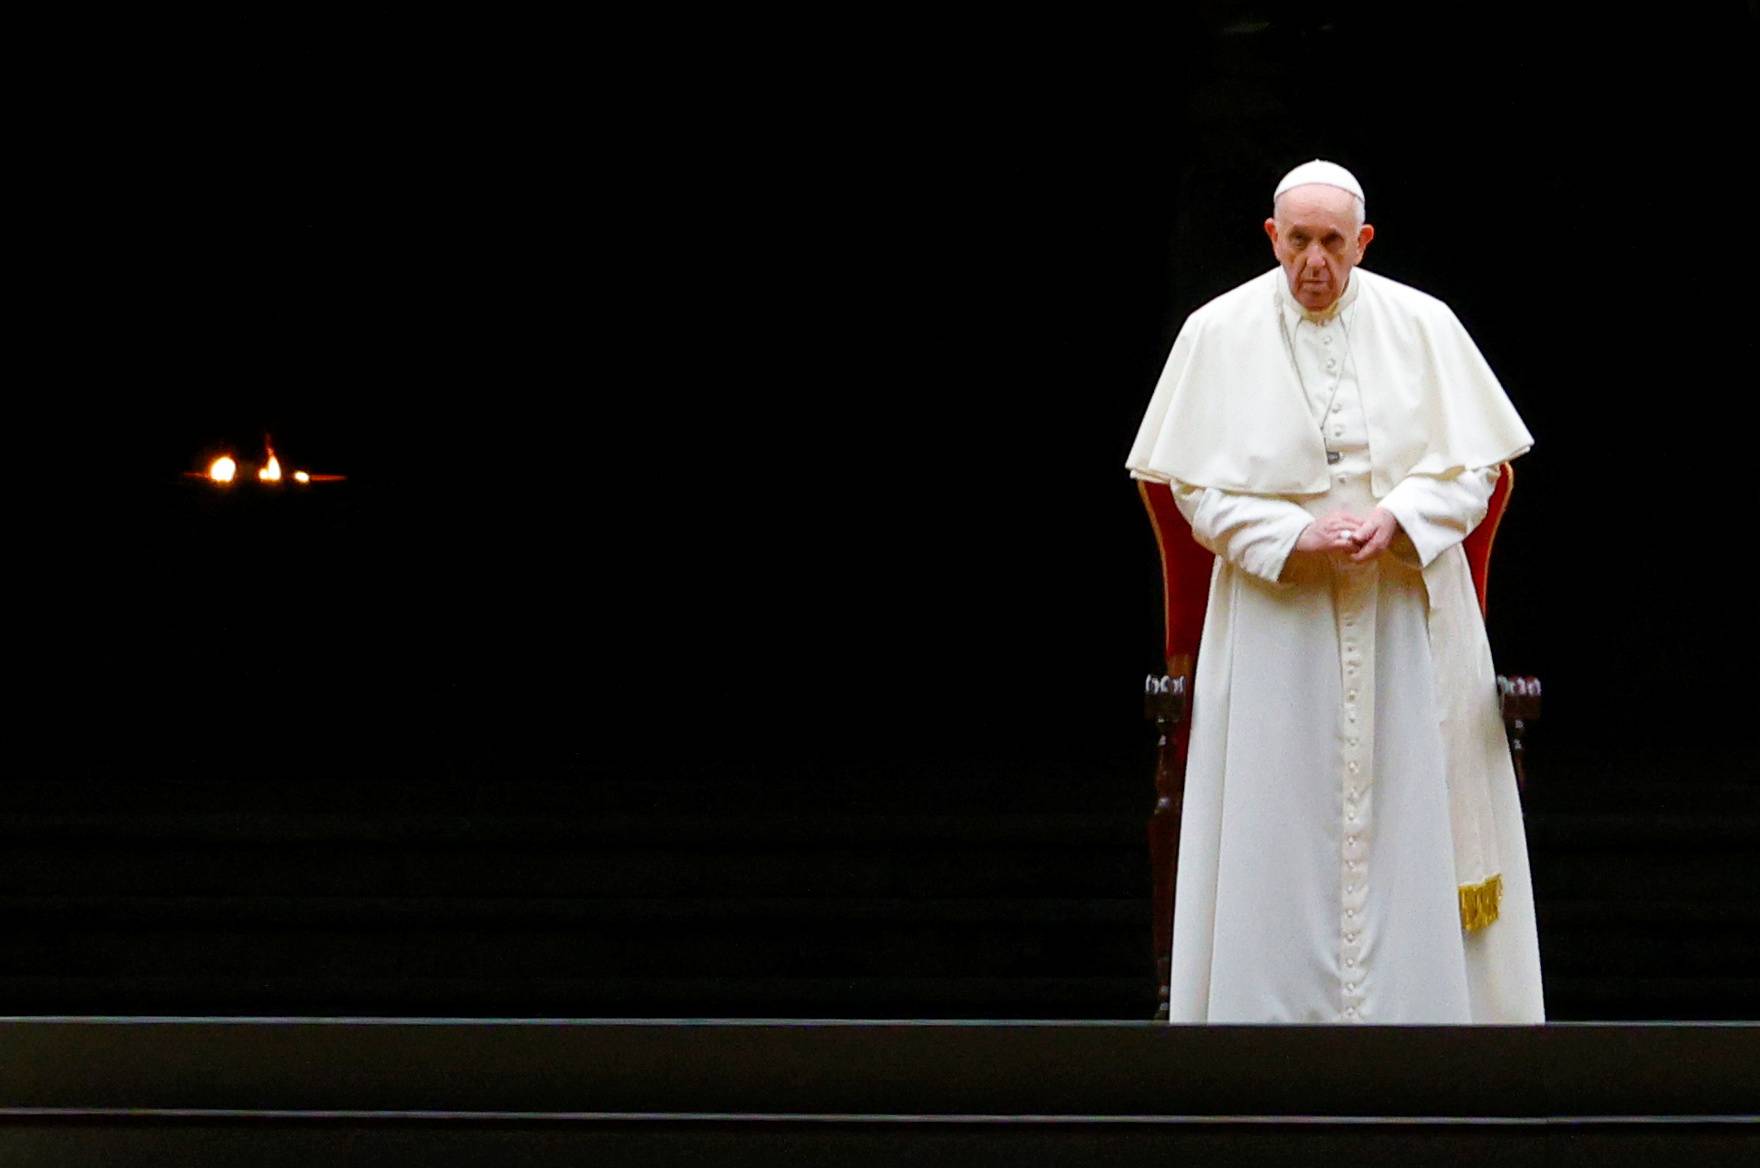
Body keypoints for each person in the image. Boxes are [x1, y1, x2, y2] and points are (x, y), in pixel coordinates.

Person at [1124, 160, 1545, 1023]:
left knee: (1405, 827)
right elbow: (1195, 491)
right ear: (1272, 238)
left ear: (1365, 242)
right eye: (1299, 241)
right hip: (1277, 618)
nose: (1315, 262)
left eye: (1333, 242)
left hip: (1403, 613)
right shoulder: (1217, 332)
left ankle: (1419, 1027)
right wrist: (1290, 536)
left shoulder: (1425, 326)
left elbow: (1475, 475)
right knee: (1278, 831)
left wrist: (1398, 517)